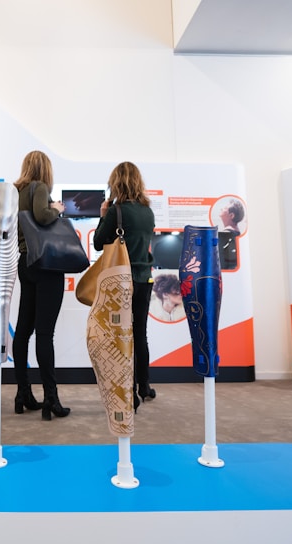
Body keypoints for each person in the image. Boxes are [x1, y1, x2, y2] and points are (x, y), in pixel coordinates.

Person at [12, 150, 70, 420]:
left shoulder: (17, 191)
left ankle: (23, 393)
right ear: (45, 169)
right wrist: (56, 209)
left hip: (26, 262)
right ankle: (51, 399)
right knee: (45, 334)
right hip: (47, 265)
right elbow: (43, 217)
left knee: (23, 330)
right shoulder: (39, 187)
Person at [94, 161, 156, 411]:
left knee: (121, 337)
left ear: (116, 182)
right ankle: (145, 385)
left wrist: (102, 217)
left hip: (122, 282)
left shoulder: (116, 212)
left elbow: (99, 243)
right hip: (145, 278)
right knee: (140, 333)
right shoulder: (147, 211)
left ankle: (129, 392)